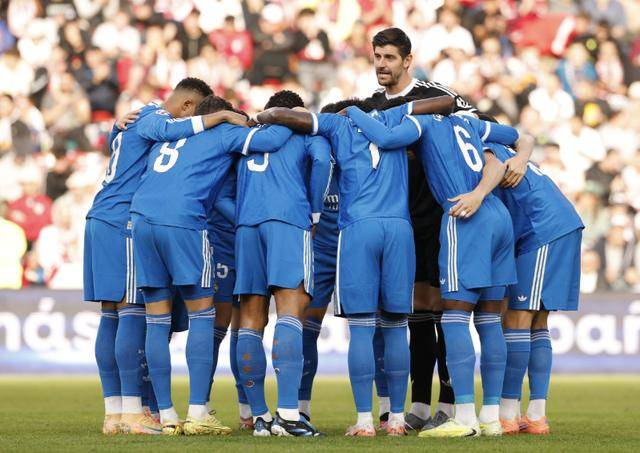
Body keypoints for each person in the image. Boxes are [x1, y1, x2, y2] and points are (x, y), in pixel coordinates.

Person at [256, 94, 454, 437]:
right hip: (399, 229)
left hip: (359, 228)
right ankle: (395, 418)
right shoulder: (396, 118)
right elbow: (446, 101)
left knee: (361, 328)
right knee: (395, 327)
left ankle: (364, 421)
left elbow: (281, 115)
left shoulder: (337, 123)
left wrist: (261, 117)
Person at [342, 103, 525, 437]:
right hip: (498, 216)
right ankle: (491, 417)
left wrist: (354, 111)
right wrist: (508, 169)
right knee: (489, 319)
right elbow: (513, 137)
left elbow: (386, 138)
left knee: (454, 316)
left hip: (462, 212)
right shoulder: (468, 122)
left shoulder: (422, 121)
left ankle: (464, 417)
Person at [130, 94, 292, 435]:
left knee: (157, 321)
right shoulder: (223, 132)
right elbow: (272, 139)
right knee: (203, 315)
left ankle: (166, 416)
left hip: (141, 220)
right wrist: (289, 115)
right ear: (222, 115)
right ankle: (198, 412)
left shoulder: (168, 130)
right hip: (183, 221)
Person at [84, 77, 235, 435]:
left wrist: (114, 126)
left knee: (112, 315)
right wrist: (217, 118)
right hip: (123, 220)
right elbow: (165, 129)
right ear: (187, 106)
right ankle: (132, 411)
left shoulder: (136, 119)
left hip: (101, 216)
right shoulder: (155, 116)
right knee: (131, 314)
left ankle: (114, 413)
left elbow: (117, 141)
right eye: (194, 116)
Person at [364, 26, 475, 431]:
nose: (382, 65)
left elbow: (474, 124)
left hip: (441, 215)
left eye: (389, 58)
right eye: (377, 57)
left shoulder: (433, 95)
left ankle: (449, 403)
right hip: (402, 220)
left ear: (408, 60)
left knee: (445, 308)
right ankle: (421, 405)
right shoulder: (371, 104)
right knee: (417, 309)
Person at [234, 90, 331, 437]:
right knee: (290, 311)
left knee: (250, 318)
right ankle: (289, 416)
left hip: (247, 225)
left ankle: (259, 416)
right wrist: (314, 212)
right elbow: (322, 162)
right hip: (288, 220)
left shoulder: (249, 136)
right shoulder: (303, 131)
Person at [298, 164, 339, 424]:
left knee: (374, 326)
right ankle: (300, 408)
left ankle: (386, 411)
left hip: (354, 242)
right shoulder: (313, 151)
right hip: (319, 246)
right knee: (307, 327)